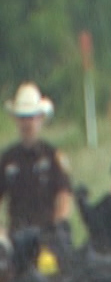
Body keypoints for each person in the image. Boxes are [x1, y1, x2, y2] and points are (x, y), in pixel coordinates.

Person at [0, 83, 73, 238]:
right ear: (16, 120)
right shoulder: (8, 159)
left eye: (31, 117)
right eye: (22, 118)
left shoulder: (53, 156)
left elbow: (64, 196)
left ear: (40, 118)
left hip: (46, 235)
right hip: (16, 236)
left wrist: (57, 227)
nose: (27, 123)